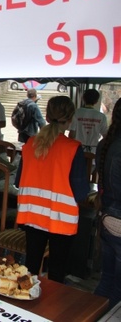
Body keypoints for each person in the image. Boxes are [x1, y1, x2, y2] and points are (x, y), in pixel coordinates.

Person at [15, 95, 89, 283]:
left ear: (46, 117)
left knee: (30, 267)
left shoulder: (30, 144)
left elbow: (18, 181)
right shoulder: (73, 148)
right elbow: (80, 192)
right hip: (60, 220)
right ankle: (50, 310)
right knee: (56, 271)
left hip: (31, 216)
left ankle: (25, 301)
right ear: (71, 119)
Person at [94, 98, 121, 309]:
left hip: (106, 215)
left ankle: (92, 313)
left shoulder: (106, 143)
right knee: (117, 285)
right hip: (118, 216)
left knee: (106, 277)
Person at [69, 88, 108, 153]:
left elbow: (71, 135)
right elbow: (105, 136)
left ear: (83, 99)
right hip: (94, 150)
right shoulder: (101, 116)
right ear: (96, 101)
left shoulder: (76, 113)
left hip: (78, 149)